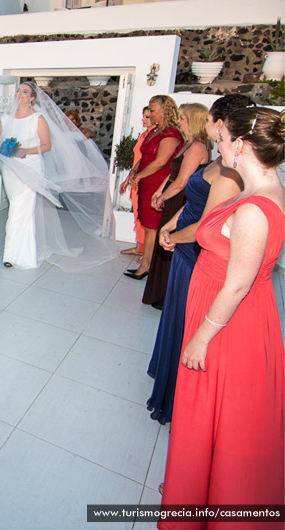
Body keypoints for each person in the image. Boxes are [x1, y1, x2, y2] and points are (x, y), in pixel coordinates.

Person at [159, 107, 285, 528]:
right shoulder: (258, 190)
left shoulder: (253, 208)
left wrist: (200, 338)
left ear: (242, 146)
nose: (218, 143)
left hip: (227, 324)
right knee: (215, 419)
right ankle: (196, 491)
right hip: (225, 312)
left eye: (224, 138)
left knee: (218, 415)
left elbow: (237, 285)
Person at [145, 95, 250, 426]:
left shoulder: (230, 173)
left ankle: (176, 396)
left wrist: (173, 236)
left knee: (185, 320)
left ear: (220, 124)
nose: (205, 125)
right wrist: (173, 224)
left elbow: (209, 224)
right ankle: (165, 375)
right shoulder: (219, 161)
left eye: (210, 121)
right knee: (175, 316)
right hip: (183, 233)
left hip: (195, 251)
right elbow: (194, 199)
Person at [0, 82, 115, 270]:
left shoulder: (38, 118)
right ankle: (20, 250)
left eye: (25, 92)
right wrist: (6, 153)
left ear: (32, 97)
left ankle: (13, 254)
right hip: (11, 171)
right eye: (18, 91)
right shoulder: (5, 118)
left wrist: (24, 150)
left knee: (19, 210)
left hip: (31, 168)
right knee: (18, 209)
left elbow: (46, 146)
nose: (20, 94)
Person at [141, 103, 211, 308]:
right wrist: (159, 192)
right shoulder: (187, 144)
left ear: (191, 120)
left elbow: (182, 181)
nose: (179, 120)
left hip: (181, 198)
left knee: (172, 244)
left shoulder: (198, 147)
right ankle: (159, 292)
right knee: (165, 244)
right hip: (172, 194)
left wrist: (163, 197)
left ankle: (167, 296)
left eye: (182, 117)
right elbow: (172, 174)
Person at [123, 95, 183, 280]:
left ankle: (148, 265)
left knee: (153, 226)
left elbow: (160, 162)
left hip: (156, 182)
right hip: (146, 181)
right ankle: (145, 262)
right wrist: (134, 174)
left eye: (153, 110)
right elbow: (144, 157)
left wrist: (139, 176)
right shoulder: (155, 131)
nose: (149, 113)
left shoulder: (171, 134)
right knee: (148, 225)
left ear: (165, 110)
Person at [119, 106, 155, 258]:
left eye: (148, 116)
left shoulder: (153, 136)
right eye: (144, 116)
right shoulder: (144, 135)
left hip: (143, 178)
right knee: (137, 213)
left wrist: (130, 178)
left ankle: (144, 250)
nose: (144, 119)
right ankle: (139, 246)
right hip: (136, 177)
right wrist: (128, 178)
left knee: (142, 215)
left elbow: (143, 160)